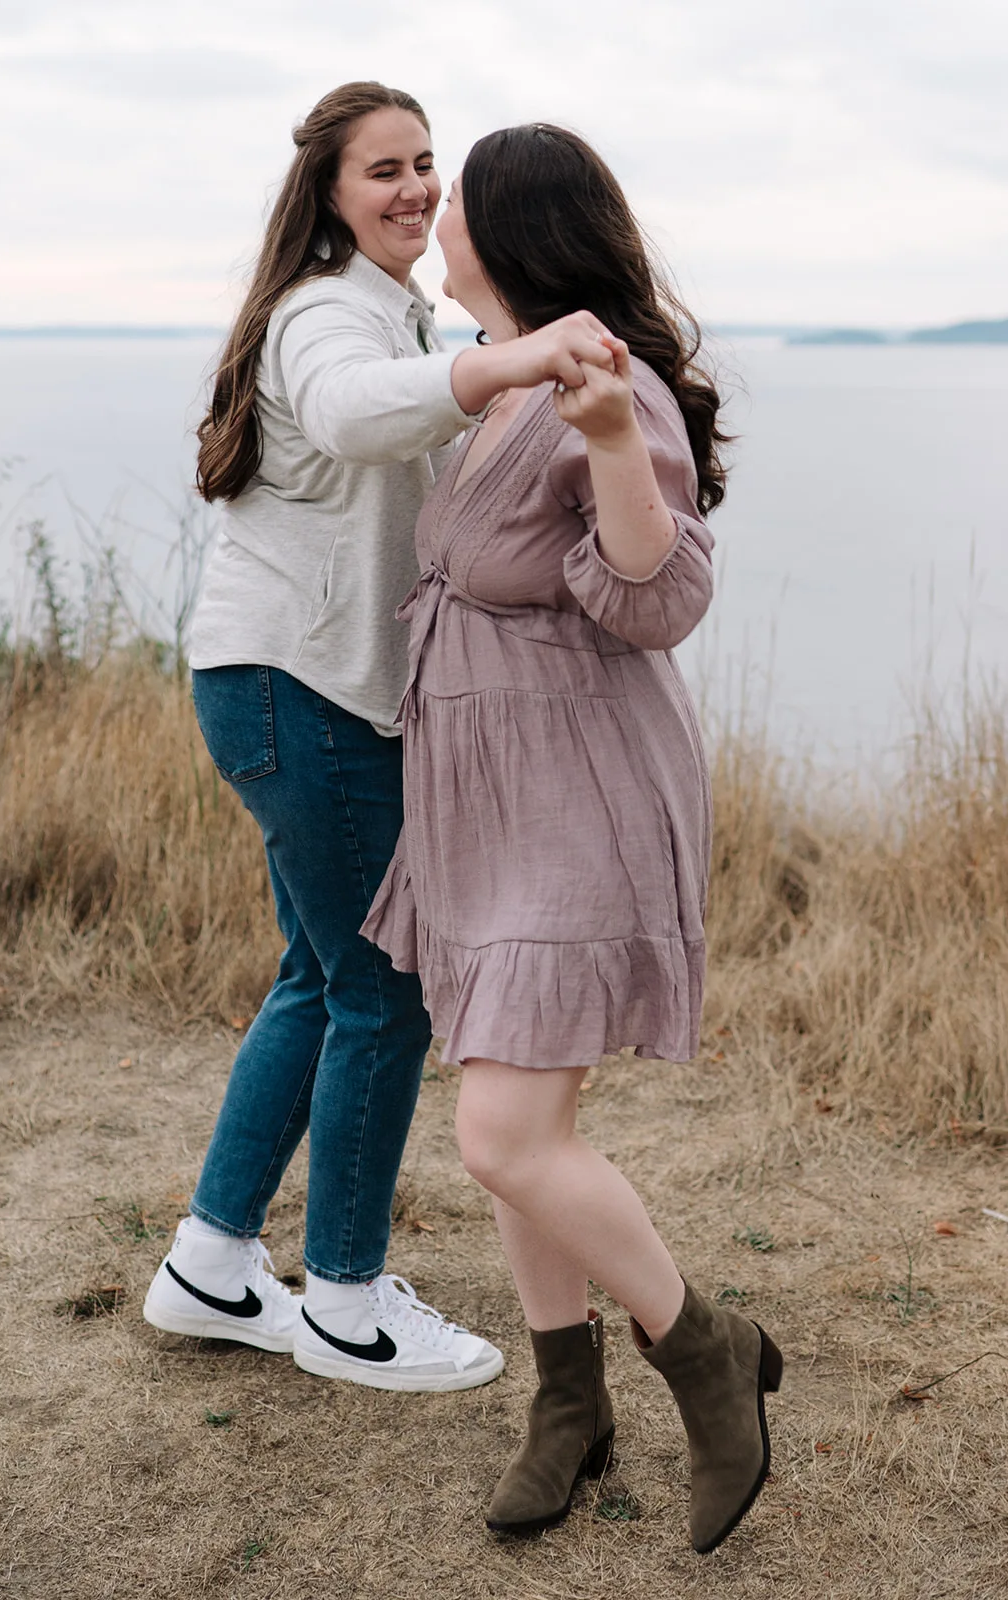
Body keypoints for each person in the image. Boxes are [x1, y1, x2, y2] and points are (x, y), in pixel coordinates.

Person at [142, 84, 617, 1394]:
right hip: (303, 696)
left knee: (316, 974)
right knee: (380, 990)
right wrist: (513, 359)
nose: (412, 189)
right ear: (328, 191)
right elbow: (358, 415)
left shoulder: (393, 312)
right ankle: (345, 1303)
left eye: (426, 166)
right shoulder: (323, 313)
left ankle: (211, 1263)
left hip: (287, 689)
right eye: (382, 171)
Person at [361, 124, 783, 1545]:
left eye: (455, 194)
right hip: (479, 795)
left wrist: (608, 442)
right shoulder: (498, 377)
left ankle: (704, 1351)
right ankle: (567, 1403)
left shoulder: (611, 384)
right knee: (521, 1119)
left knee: (500, 1134)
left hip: (575, 787)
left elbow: (654, 600)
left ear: (511, 228)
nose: (435, 208)